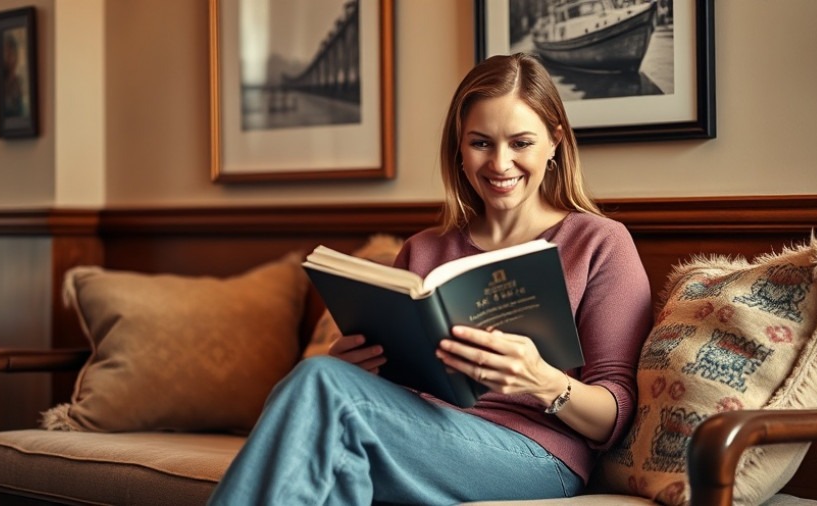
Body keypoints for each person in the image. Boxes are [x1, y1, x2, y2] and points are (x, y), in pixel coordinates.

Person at [208, 53, 652, 505]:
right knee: (328, 419)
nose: (500, 163)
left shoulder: (599, 242)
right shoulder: (424, 249)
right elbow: (396, 390)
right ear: (459, 147)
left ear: (554, 141)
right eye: (481, 143)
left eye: (521, 143)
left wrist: (542, 378)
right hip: (425, 437)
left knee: (320, 384)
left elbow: (613, 415)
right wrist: (356, 367)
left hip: (538, 457)